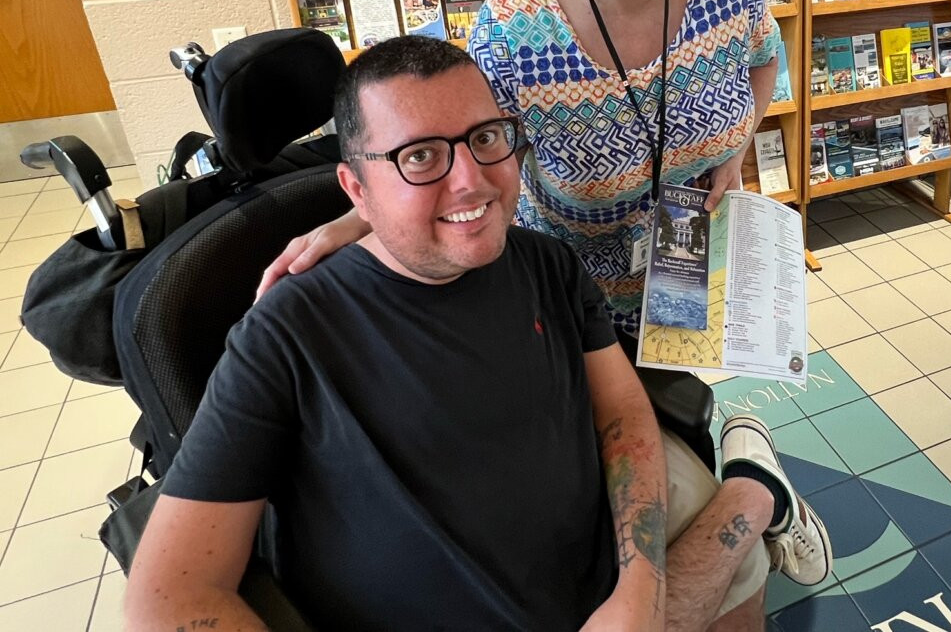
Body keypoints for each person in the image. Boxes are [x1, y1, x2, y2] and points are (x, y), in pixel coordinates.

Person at [257, 0, 832, 628]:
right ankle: (753, 489)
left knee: (679, 431)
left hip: (689, 254)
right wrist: (359, 216)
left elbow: (761, 69)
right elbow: (456, 156)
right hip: (575, 295)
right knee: (610, 479)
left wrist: (734, 151)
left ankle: (738, 474)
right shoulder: (511, 30)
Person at [126, 37, 667, 630]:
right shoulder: (284, 335)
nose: (472, 180)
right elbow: (167, 601)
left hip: (605, 596)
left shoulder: (548, 265)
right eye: (420, 157)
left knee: (737, 529)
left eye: (485, 138)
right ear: (357, 191)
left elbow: (621, 411)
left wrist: (639, 586)